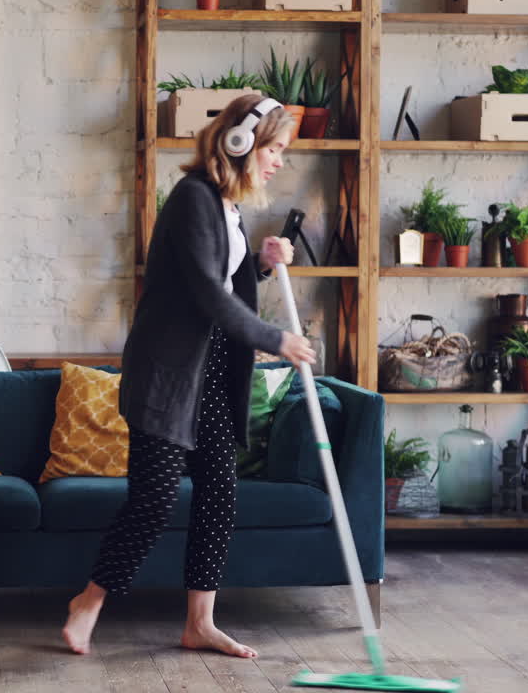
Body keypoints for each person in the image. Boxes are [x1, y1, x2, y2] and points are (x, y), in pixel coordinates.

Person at [60, 94, 317, 658]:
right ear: (239, 141)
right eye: (273, 148)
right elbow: (203, 292)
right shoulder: (193, 199)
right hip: (169, 376)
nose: (277, 160)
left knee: (219, 497)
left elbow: (225, 281)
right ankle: (90, 601)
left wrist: (261, 264)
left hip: (214, 372)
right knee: (153, 499)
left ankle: (199, 622)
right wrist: (276, 339)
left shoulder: (228, 206)